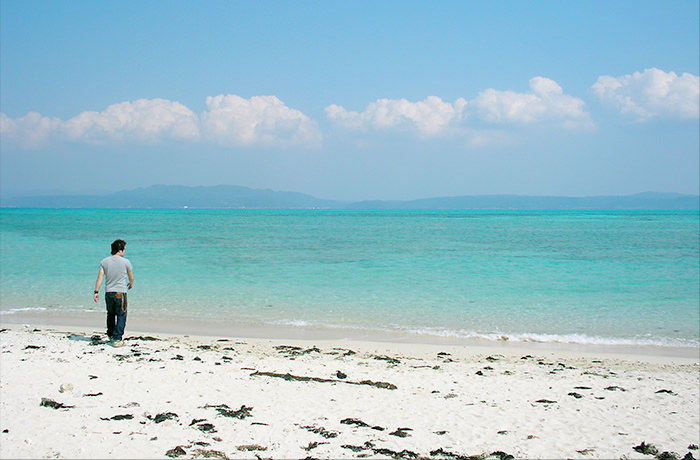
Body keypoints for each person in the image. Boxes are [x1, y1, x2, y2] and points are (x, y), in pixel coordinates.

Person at [93, 239, 134, 347]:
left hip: (109, 293)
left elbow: (100, 278)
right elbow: (131, 277)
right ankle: (117, 339)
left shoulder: (104, 262)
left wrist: (96, 291)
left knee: (110, 315)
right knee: (121, 315)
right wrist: (130, 284)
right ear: (120, 250)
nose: (124, 251)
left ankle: (111, 335)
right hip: (120, 292)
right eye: (124, 249)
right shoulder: (126, 262)